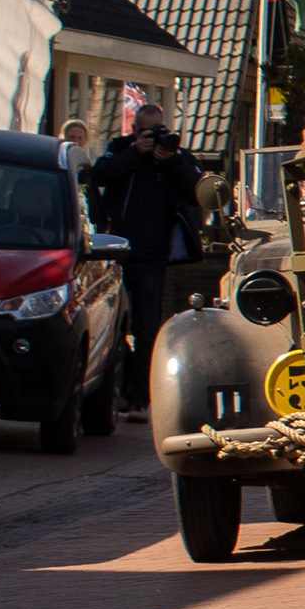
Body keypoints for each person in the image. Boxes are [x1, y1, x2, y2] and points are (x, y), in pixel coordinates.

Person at [86, 112, 203, 411]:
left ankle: (139, 398)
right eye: (143, 131)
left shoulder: (176, 155)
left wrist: (171, 160)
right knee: (109, 324)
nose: (149, 138)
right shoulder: (121, 147)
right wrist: (134, 152)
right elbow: (98, 176)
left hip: (151, 255)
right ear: (134, 129)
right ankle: (116, 389)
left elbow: (197, 192)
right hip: (113, 252)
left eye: (154, 131)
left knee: (146, 327)